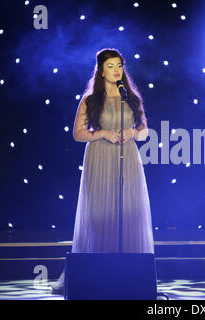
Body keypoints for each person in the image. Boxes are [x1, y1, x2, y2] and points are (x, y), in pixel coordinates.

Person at [52, 48, 154, 293]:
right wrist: (103, 134)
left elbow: (144, 131)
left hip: (127, 157)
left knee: (128, 212)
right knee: (99, 213)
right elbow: (77, 134)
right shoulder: (90, 100)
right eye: (110, 66)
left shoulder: (131, 98)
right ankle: (95, 274)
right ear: (100, 70)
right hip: (99, 156)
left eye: (119, 65)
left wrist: (130, 133)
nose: (116, 69)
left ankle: (128, 274)